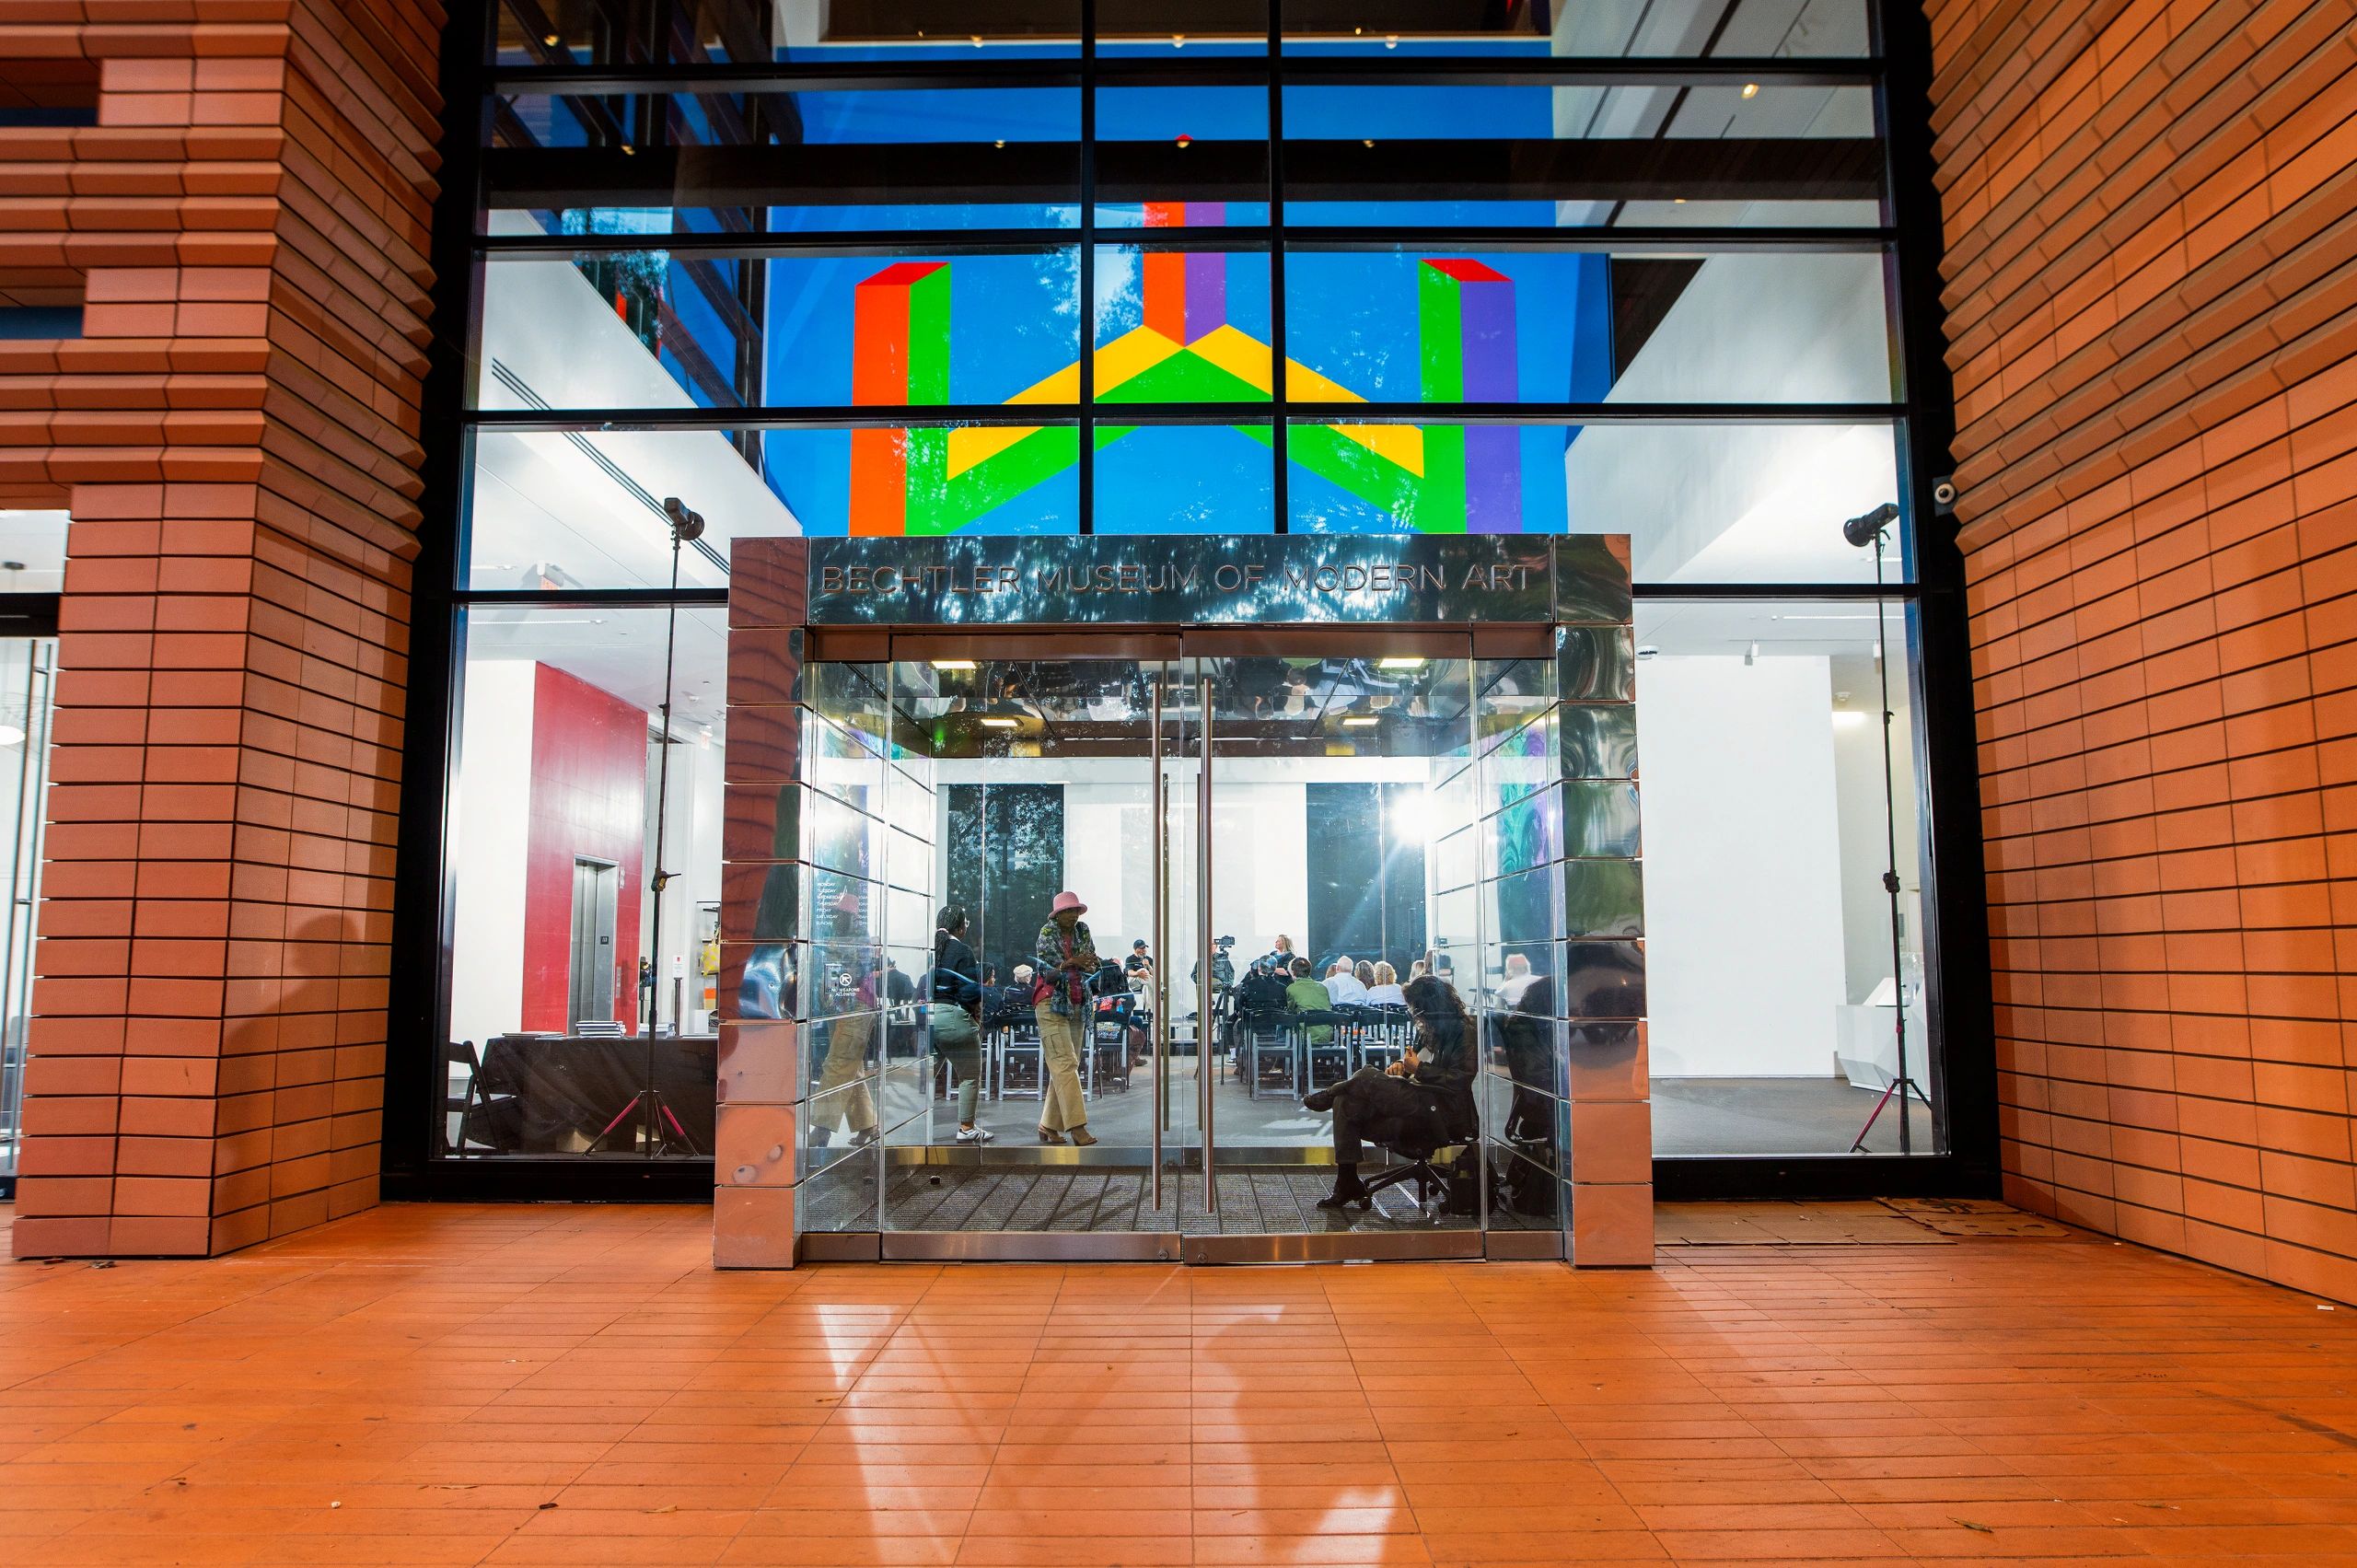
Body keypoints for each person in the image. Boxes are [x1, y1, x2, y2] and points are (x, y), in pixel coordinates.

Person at [1301, 974, 1480, 1210]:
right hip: (1416, 1099)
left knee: (1365, 1075)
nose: (1415, 1015)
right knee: (1347, 1099)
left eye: (1417, 1009)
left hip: (1441, 1109)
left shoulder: (1464, 1031)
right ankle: (1347, 1181)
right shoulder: (1429, 1029)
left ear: (1430, 1007)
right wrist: (1402, 1068)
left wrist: (1419, 1068)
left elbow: (1460, 1080)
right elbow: (1414, 1062)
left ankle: (1331, 1093)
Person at [1030, 890, 1097, 1146]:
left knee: (1066, 1066)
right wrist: (1073, 963)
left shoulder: (1083, 931)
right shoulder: (1047, 934)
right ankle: (1077, 1128)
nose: (1073, 915)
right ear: (1057, 915)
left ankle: (1048, 1125)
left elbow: (1091, 959)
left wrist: (1089, 965)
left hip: (1077, 1002)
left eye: (1075, 911)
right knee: (1065, 1064)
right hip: (1050, 1004)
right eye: (1067, 911)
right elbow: (1047, 973)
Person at [929, 907, 991, 1144]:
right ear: (961, 927)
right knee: (969, 1076)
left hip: (931, 1019)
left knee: (926, 1078)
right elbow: (970, 991)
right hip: (956, 1019)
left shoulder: (931, 949)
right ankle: (966, 1128)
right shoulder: (962, 951)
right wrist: (975, 1016)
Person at [810, 948, 881, 1149]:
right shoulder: (839, 930)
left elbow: (850, 967)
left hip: (853, 1005)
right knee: (849, 1068)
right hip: (841, 1005)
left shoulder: (848, 932)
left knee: (837, 1067)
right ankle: (868, 1123)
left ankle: (822, 1128)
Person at [1283, 956, 1336, 1044]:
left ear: (1293, 972)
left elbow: (1290, 1011)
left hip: (1306, 1036)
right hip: (1326, 1035)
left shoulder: (1291, 988)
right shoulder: (1322, 987)